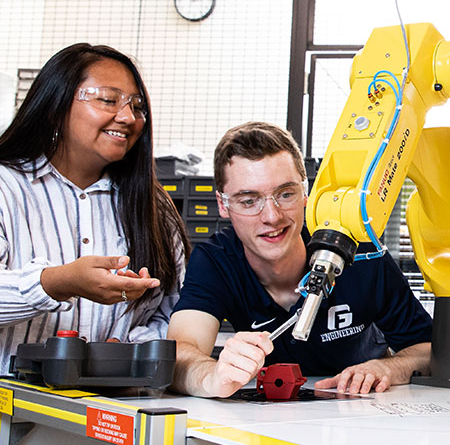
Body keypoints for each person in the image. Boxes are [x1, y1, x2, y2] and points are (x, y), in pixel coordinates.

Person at [167, 121, 432, 398]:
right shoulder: (216, 262)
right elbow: (180, 353)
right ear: (223, 204)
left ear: (306, 193)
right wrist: (212, 377)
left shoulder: (360, 251)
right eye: (248, 201)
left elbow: (428, 349)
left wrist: (388, 368)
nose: (272, 216)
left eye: (285, 194)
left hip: (361, 410)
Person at [0, 43, 190, 375]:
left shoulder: (152, 204)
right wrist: (55, 283)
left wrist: (133, 347)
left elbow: (176, 312)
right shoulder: (6, 187)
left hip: (115, 410)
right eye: (108, 100)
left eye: (137, 106)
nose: (128, 117)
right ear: (55, 107)